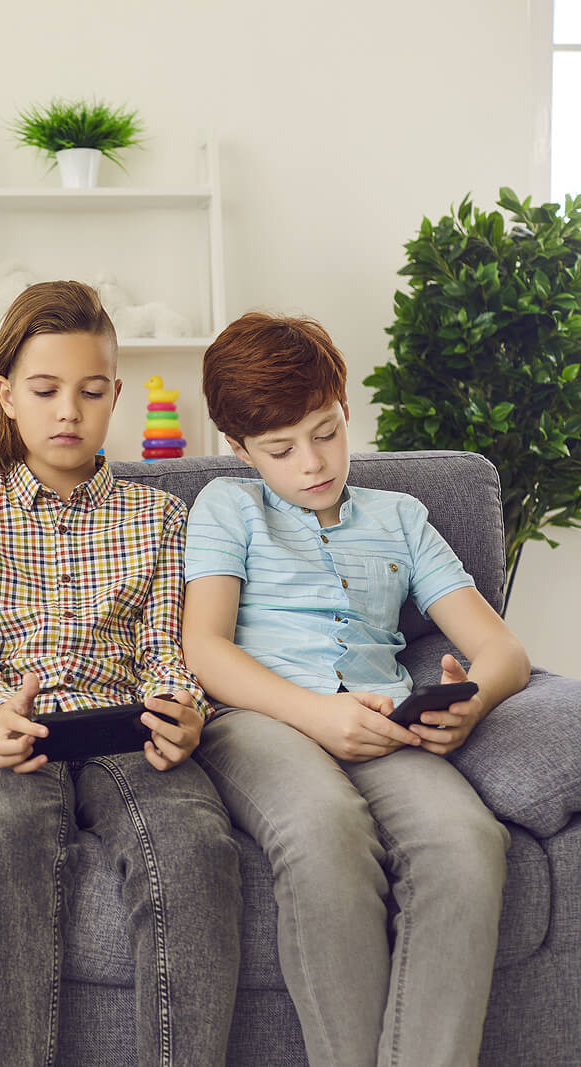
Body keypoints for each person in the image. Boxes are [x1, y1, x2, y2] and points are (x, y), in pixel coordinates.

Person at [180, 312, 531, 1067]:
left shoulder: (402, 518)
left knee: (467, 842)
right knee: (324, 828)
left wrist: (472, 697)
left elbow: (501, 647)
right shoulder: (228, 506)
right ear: (240, 449)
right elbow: (203, 646)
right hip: (261, 718)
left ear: (345, 410)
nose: (313, 461)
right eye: (281, 448)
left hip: (386, 721)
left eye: (327, 431)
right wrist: (315, 713)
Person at [0, 280, 242, 1066]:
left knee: (194, 843)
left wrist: (180, 706)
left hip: (126, 724)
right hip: (8, 731)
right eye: (46, 389)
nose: (69, 410)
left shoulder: (159, 516)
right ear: (5, 396)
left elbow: (171, 645)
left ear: (116, 396)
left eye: (91, 391)